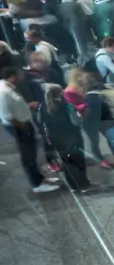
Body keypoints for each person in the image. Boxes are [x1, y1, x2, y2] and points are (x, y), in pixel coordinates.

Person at [2, 64, 58, 193]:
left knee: (32, 154)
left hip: (24, 124)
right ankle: (36, 184)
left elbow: (15, 106)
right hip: (19, 127)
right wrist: (23, 128)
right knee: (28, 156)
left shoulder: (10, 87)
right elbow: (6, 115)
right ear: (12, 76)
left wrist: (27, 107)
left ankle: (40, 178)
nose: (22, 76)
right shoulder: (4, 92)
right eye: (19, 74)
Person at [41, 85, 88, 190]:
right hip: (72, 137)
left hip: (55, 138)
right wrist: (81, 116)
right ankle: (84, 184)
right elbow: (76, 122)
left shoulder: (42, 107)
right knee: (78, 160)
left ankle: (72, 185)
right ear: (60, 93)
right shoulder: (67, 106)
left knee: (66, 161)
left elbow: (40, 121)